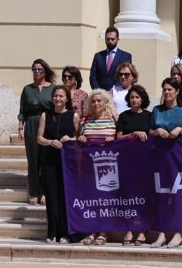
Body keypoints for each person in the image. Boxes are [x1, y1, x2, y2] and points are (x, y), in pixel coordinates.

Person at [149, 78, 182, 249]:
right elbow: (150, 131)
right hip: (160, 156)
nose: (167, 92)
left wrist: (180, 130)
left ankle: (178, 232)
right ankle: (161, 233)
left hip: (179, 157)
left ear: (177, 92)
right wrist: (157, 130)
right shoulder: (156, 110)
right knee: (161, 194)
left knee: (178, 195)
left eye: (170, 89)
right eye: (165, 90)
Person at [36, 85, 80, 244]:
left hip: (68, 163)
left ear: (67, 99)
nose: (58, 99)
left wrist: (70, 139)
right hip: (50, 161)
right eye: (56, 96)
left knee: (65, 197)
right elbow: (39, 138)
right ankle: (52, 232)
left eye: (61, 96)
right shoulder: (45, 115)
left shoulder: (74, 116)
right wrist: (50, 141)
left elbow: (80, 138)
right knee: (52, 196)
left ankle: (66, 233)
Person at [78, 89, 117, 246]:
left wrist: (113, 138)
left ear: (105, 103)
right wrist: (79, 137)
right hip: (88, 166)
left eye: (99, 101)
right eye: (93, 101)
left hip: (109, 167)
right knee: (91, 199)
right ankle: (91, 229)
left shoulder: (114, 120)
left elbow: (120, 138)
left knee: (106, 199)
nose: (96, 104)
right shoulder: (84, 121)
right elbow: (77, 138)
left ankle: (104, 231)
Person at [115, 84, 152, 246]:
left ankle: (143, 230)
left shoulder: (150, 116)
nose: (134, 100)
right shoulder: (124, 116)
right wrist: (134, 134)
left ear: (142, 99)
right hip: (127, 160)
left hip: (146, 161)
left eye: (137, 97)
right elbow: (119, 137)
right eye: (132, 97)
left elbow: (153, 135)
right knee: (128, 196)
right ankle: (129, 228)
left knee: (144, 196)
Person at [18, 59, 56, 206]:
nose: (37, 72)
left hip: (47, 124)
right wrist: (21, 128)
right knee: (33, 160)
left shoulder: (53, 88)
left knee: (46, 160)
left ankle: (45, 192)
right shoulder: (27, 89)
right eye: (34, 70)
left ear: (45, 71)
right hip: (32, 124)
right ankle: (34, 191)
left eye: (40, 70)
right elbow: (22, 111)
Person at [90, 26, 132, 90]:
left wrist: (117, 91)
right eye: (108, 39)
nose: (110, 41)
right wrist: (98, 91)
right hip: (101, 95)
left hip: (118, 92)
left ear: (117, 39)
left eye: (112, 39)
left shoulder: (125, 56)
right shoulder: (98, 56)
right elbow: (93, 77)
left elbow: (127, 77)